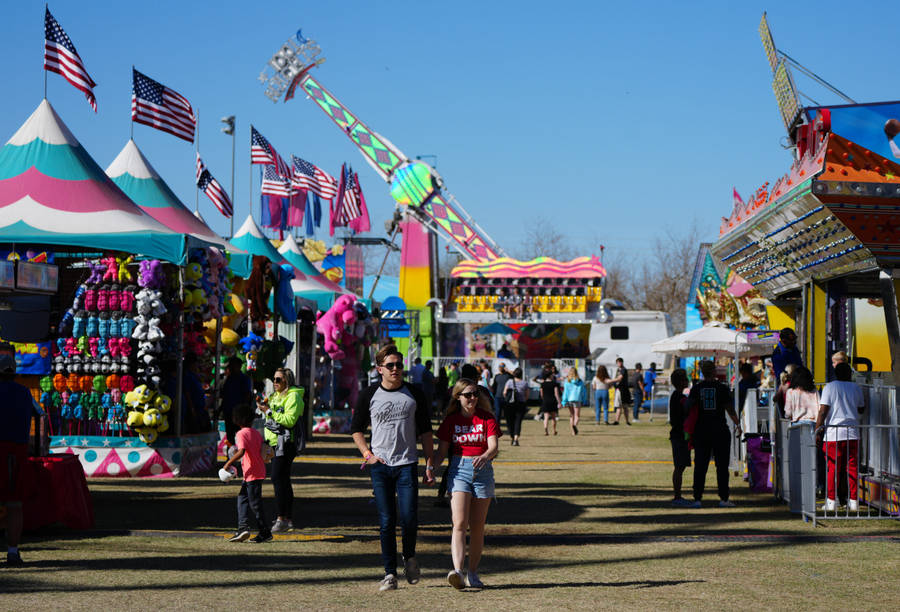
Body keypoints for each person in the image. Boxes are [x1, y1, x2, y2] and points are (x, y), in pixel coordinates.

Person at [351, 345, 435, 592]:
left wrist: (430, 462)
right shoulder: (368, 394)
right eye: (391, 365)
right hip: (381, 466)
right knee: (387, 521)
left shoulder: (415, 393)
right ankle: (389, 573)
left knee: (409, 518)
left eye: (399, 364)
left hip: (407, 464)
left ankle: (409, 557)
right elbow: (356, 429)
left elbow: (426, 431)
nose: (396, 369)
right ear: (380, 369)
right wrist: (368, 455)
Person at [433, 378, 500, 589]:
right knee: (459, 523)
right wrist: (430, 469)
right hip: (458, 470)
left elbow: (494, 447)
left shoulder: (486, 418)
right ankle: (458, 572)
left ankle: (473, 572)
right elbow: (441, 452)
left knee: (478, 526)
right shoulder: (451, 421)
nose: (472, 398)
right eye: (468, 394)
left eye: (475, 394)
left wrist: (486, 455)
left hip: (483, 472)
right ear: (458, 397)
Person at [0, 344, 41, 565]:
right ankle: (13, 551)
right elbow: (39, 414)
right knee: (15, 504)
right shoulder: (25, 393)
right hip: (17, 454)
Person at [684, 360, 742, 507]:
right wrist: (738, 424)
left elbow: (687, 407)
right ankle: (724, 498)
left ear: (702, 372)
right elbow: (730, 409)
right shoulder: (721, 388)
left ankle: (697, 498)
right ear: (714, 372)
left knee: (700, 466)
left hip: (701, 430)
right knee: (722, 466)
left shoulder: (696, 388)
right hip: (720, 430)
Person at [260, 367, 304, 534]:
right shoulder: (275, 396)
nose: (275, 383)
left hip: (285, 443)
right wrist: (264, 407)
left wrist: (269, 411)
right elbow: (271, 416)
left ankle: (281, 518)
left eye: (278, 380)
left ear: (287, 381)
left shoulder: (293, 396)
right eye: (274, 380)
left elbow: (289, 420)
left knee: (278, 478)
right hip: (273, 443)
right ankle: (287, 518)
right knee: (283, 480)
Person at [816, 362, 865, 512]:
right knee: (852, 468)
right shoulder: (856, 388)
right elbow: (862, 408)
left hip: (833, 434)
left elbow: (823, 411)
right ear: (849, 374)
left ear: (835, 373)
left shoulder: (829, 387)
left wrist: (817, 429)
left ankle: (831, 501)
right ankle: (853, 501)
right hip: (852, 432)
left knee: (833, 468)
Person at [223, 403, 272, 543]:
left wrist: (228, 463)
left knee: (255, 504)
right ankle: (243, 528)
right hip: (257, 471)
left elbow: (242, 451)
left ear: (237, 419)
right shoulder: (256, 432)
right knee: (243, 499)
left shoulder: (240, 433)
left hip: (252, 473)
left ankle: (264, 532)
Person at [668, 368, 693, 507]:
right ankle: (677, 496)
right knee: (679, 466)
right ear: (681, 381)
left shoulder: (677, 395)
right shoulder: (679, 397)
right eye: (685, 379)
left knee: (681, 466)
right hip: (679, 435)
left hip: (679, 434)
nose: (688, 381)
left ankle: (678, 495)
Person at [218, 356, 252, 447]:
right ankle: (231, 456)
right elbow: (223, 395)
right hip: (228, 411)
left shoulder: (244, 379)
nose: (231, 368)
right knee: (230, 436)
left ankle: (244, 455)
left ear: (239, 366)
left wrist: (243, 411)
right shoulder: (227, 379)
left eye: (233, 365)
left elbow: (247, 395)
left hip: (239, 413)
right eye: (230, 365)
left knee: (242, 435)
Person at [502, 367, 529, 446]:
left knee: (510, 421)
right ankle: (516, 439)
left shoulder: (510, 381)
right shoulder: (525, 383)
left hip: (509, 404)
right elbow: (527, 396)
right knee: (518, 421)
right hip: (520, 404)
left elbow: (504, 393)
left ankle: (512, 436)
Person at [534, 366, 560, 435]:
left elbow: (541, 394)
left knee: (546, 417)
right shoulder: (554, 384)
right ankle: (554, 430)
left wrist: (544, 399)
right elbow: (556, 394)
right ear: (550, 375)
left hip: (545, 401)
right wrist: (559, 402)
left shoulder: (543, 384)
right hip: (553, 401)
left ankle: (546, 430)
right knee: (553, 417)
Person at [561, 368, 587, 435]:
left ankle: (573, 431)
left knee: (571, 415)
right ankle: (575, 426)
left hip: (569, 400)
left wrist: (563, 401)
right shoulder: (580, 382)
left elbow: (565, 393)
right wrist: (584, 400)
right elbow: (584, 392)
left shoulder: (567, 382)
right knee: (577, 416)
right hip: (577, 399)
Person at [611, 358, 632, 425]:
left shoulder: (623, 370)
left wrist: (610, 381)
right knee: (618, 406)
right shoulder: (618, 370)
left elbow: (619, 378)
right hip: (618, 390)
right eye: (618, 362)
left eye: (620, 362)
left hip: (623, 390)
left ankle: (627, 421)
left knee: (625, 406)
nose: (619, 363)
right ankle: (617, 421)